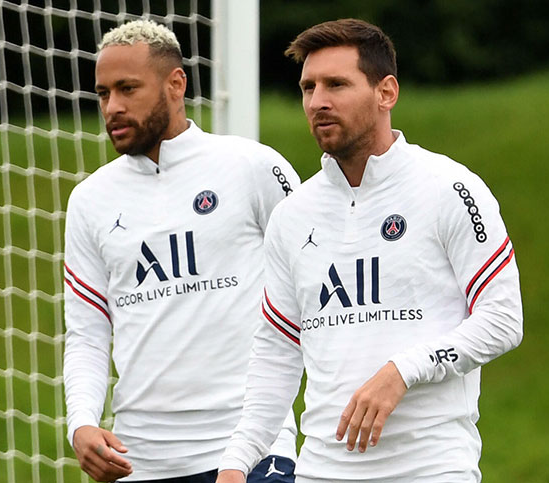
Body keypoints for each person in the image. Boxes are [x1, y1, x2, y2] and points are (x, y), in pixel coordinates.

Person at [217, 18, 523, 482]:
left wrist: (403, 370)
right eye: (308, 87)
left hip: (431, 469)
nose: (318, 101)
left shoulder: (449, 187)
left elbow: (503, 319)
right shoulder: (292, 215)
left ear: (386, 93)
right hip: (322, 470)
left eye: (336, 84)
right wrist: (238, 460)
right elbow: (277, 352)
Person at [63, 19, 299, 482]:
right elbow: (87, 331)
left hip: (252, 450)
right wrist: (82, 421)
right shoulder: (90, 200)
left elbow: (316, 278)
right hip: (139, 460)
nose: (113, 107)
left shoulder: (252, 167)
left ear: (176, 84)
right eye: (103, 93)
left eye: (128, 88)